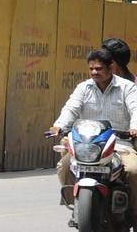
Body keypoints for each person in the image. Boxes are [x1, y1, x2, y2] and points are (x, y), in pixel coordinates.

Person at [49, 48, 137, 215]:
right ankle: (76, 206)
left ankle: (134, 210)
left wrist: (135, 127)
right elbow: (71, 108)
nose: (94, 72)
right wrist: (59, 125)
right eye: (91, 69)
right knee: (65, 166)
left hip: (118, 143)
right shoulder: (83, 88)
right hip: (86, 144)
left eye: (99, 68)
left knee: (133, 170)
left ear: (111, 67)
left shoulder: (127, 88)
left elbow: (135, 108)